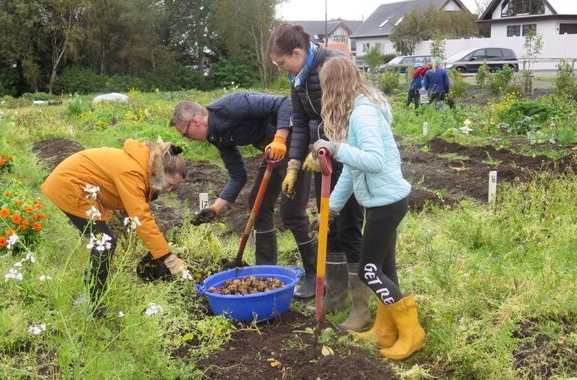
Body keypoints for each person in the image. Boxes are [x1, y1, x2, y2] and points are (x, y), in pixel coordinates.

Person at [312, 56, 426, 360]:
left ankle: (412, 332)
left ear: (333, 86)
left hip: (386, 203)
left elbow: (373, 161)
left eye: (324, 87)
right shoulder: (356, 112)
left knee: (369, 270)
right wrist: (331, 210)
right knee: (386, 269)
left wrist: (336, 148)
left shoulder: (362, 114)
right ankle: (386, 329)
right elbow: (351, 169)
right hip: (381, 203)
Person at [267, 23, 367, 332]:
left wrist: (323, 143)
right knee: (328, 223)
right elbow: (300, 120)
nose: (282, 68)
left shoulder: (333, 68)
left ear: (297, 53)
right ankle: (336, 296)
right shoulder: (296, 78)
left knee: (348, 225)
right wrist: (295, 162)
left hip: (348, 157)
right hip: (324, 156)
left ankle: (361, 306)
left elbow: (342, 116)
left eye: (282, 62)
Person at [170, 92, 317, 298]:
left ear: (194, 122)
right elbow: (238, 175)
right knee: (258, 201)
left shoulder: (231, 105)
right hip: (271, 151)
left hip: (293, 143)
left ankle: (316, 276)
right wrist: (216, 208)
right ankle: (266, 271)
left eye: (185, 134)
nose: (188, 139)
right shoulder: (216, 136)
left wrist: (280, 138)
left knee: (291, 211)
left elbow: (285, 102)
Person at [41, 139, 190, 317]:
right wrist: (167, 257)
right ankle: (91, 302)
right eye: (170, 184)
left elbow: (137, 210)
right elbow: (140, 216)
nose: (169, 190)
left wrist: (156, 248)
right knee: (105, 242)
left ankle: (91, 295)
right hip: (69, 186)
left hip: (79, 186)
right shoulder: (132, 171)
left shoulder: (143, 167)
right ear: (160, 171)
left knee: (104, 241)